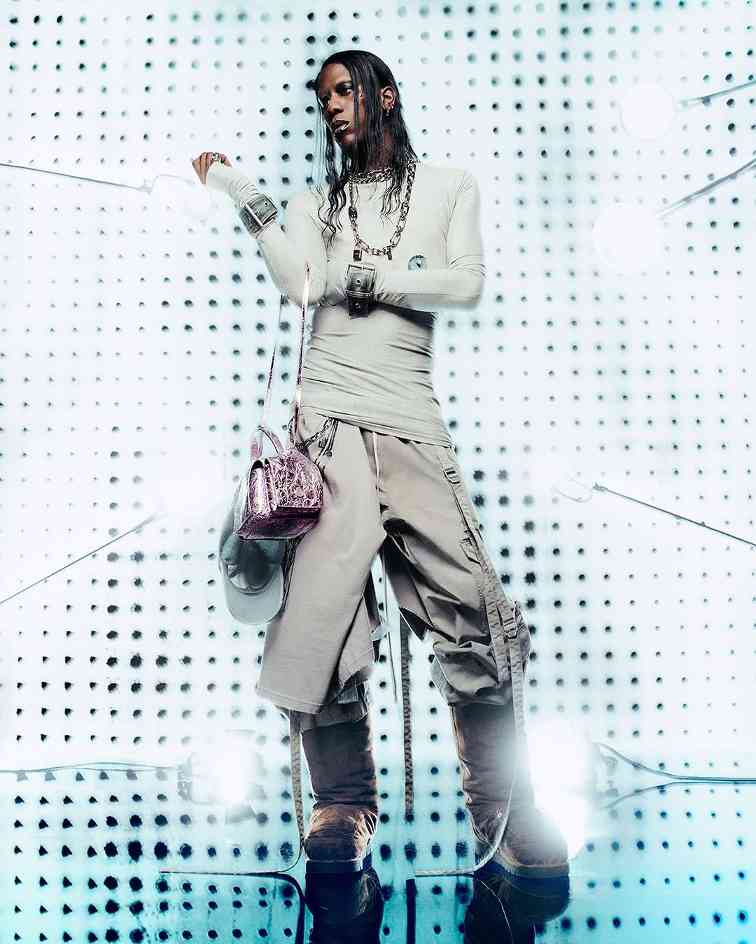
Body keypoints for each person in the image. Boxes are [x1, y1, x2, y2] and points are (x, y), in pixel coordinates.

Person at [192, 49, 568, 880]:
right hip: (326, 424)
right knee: (317, 615)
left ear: (384, 96)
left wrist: (370, 275)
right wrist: (243, 193)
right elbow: (301, 282)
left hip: (408, 417)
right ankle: (342, 805)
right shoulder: (313, 203)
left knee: (472, 607)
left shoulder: (450, 188)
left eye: (344, 90)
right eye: (322, 97)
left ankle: (503, 806)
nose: (332, 106)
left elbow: (465, 284)